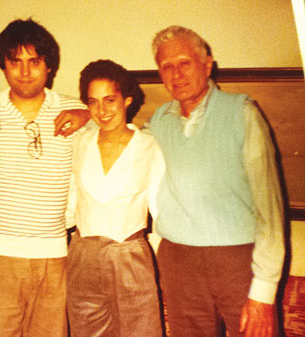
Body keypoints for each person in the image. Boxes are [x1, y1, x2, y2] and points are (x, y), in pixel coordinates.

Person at [55, 26, 285, 337]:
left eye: (184, 63)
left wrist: (265, 290)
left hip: (236, 261)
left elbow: (270, 209)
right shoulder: (158, 122)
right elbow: (119, 137)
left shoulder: (241, 112)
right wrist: (86, 114)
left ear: (207, 64)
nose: (176, 74)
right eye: (167, 66)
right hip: (179, 264)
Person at [0, 19, 88, 337]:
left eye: (34, 62)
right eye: (16, 62)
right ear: (3, 66)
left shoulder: (74, 109)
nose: (25, 72)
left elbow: (119, 120)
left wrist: (88, 114)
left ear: (49, 66)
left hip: (53, 256)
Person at [65, 59, 163, 337]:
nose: (102, 111)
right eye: (93, 102)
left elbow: (159, 209)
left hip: (129, 257)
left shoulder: (149, 146)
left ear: (127, 100)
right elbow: (71, 204)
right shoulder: (80, 143)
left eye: (109, 100)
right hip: (83, 256)